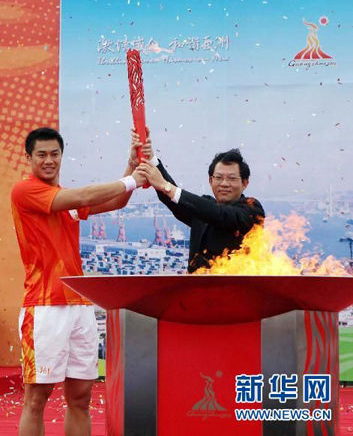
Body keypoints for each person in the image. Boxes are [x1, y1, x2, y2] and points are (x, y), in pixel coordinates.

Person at [11, 127, 148, 436]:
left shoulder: (65, 199)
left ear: (62, 156)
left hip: (79, 306)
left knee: (80, 397)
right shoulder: (25, 191)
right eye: (41, 155)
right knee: (36, 399)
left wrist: (130, 166)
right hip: (45, 308)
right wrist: (131, 179)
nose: (49, 161)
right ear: (29, 158)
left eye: (54, 154)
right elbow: (83, 195)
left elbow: (116, 203)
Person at [136, 139, 265, 273]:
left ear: (245, 183)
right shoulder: (203, 208)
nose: (224, 184)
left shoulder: (251, 209)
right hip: (195, 290)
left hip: (233, 290)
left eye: (232, 178)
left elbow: (220, 215)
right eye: (219, 177)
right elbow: (176, 202)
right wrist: (150, 159)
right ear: (210, 180)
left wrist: (165, 186)